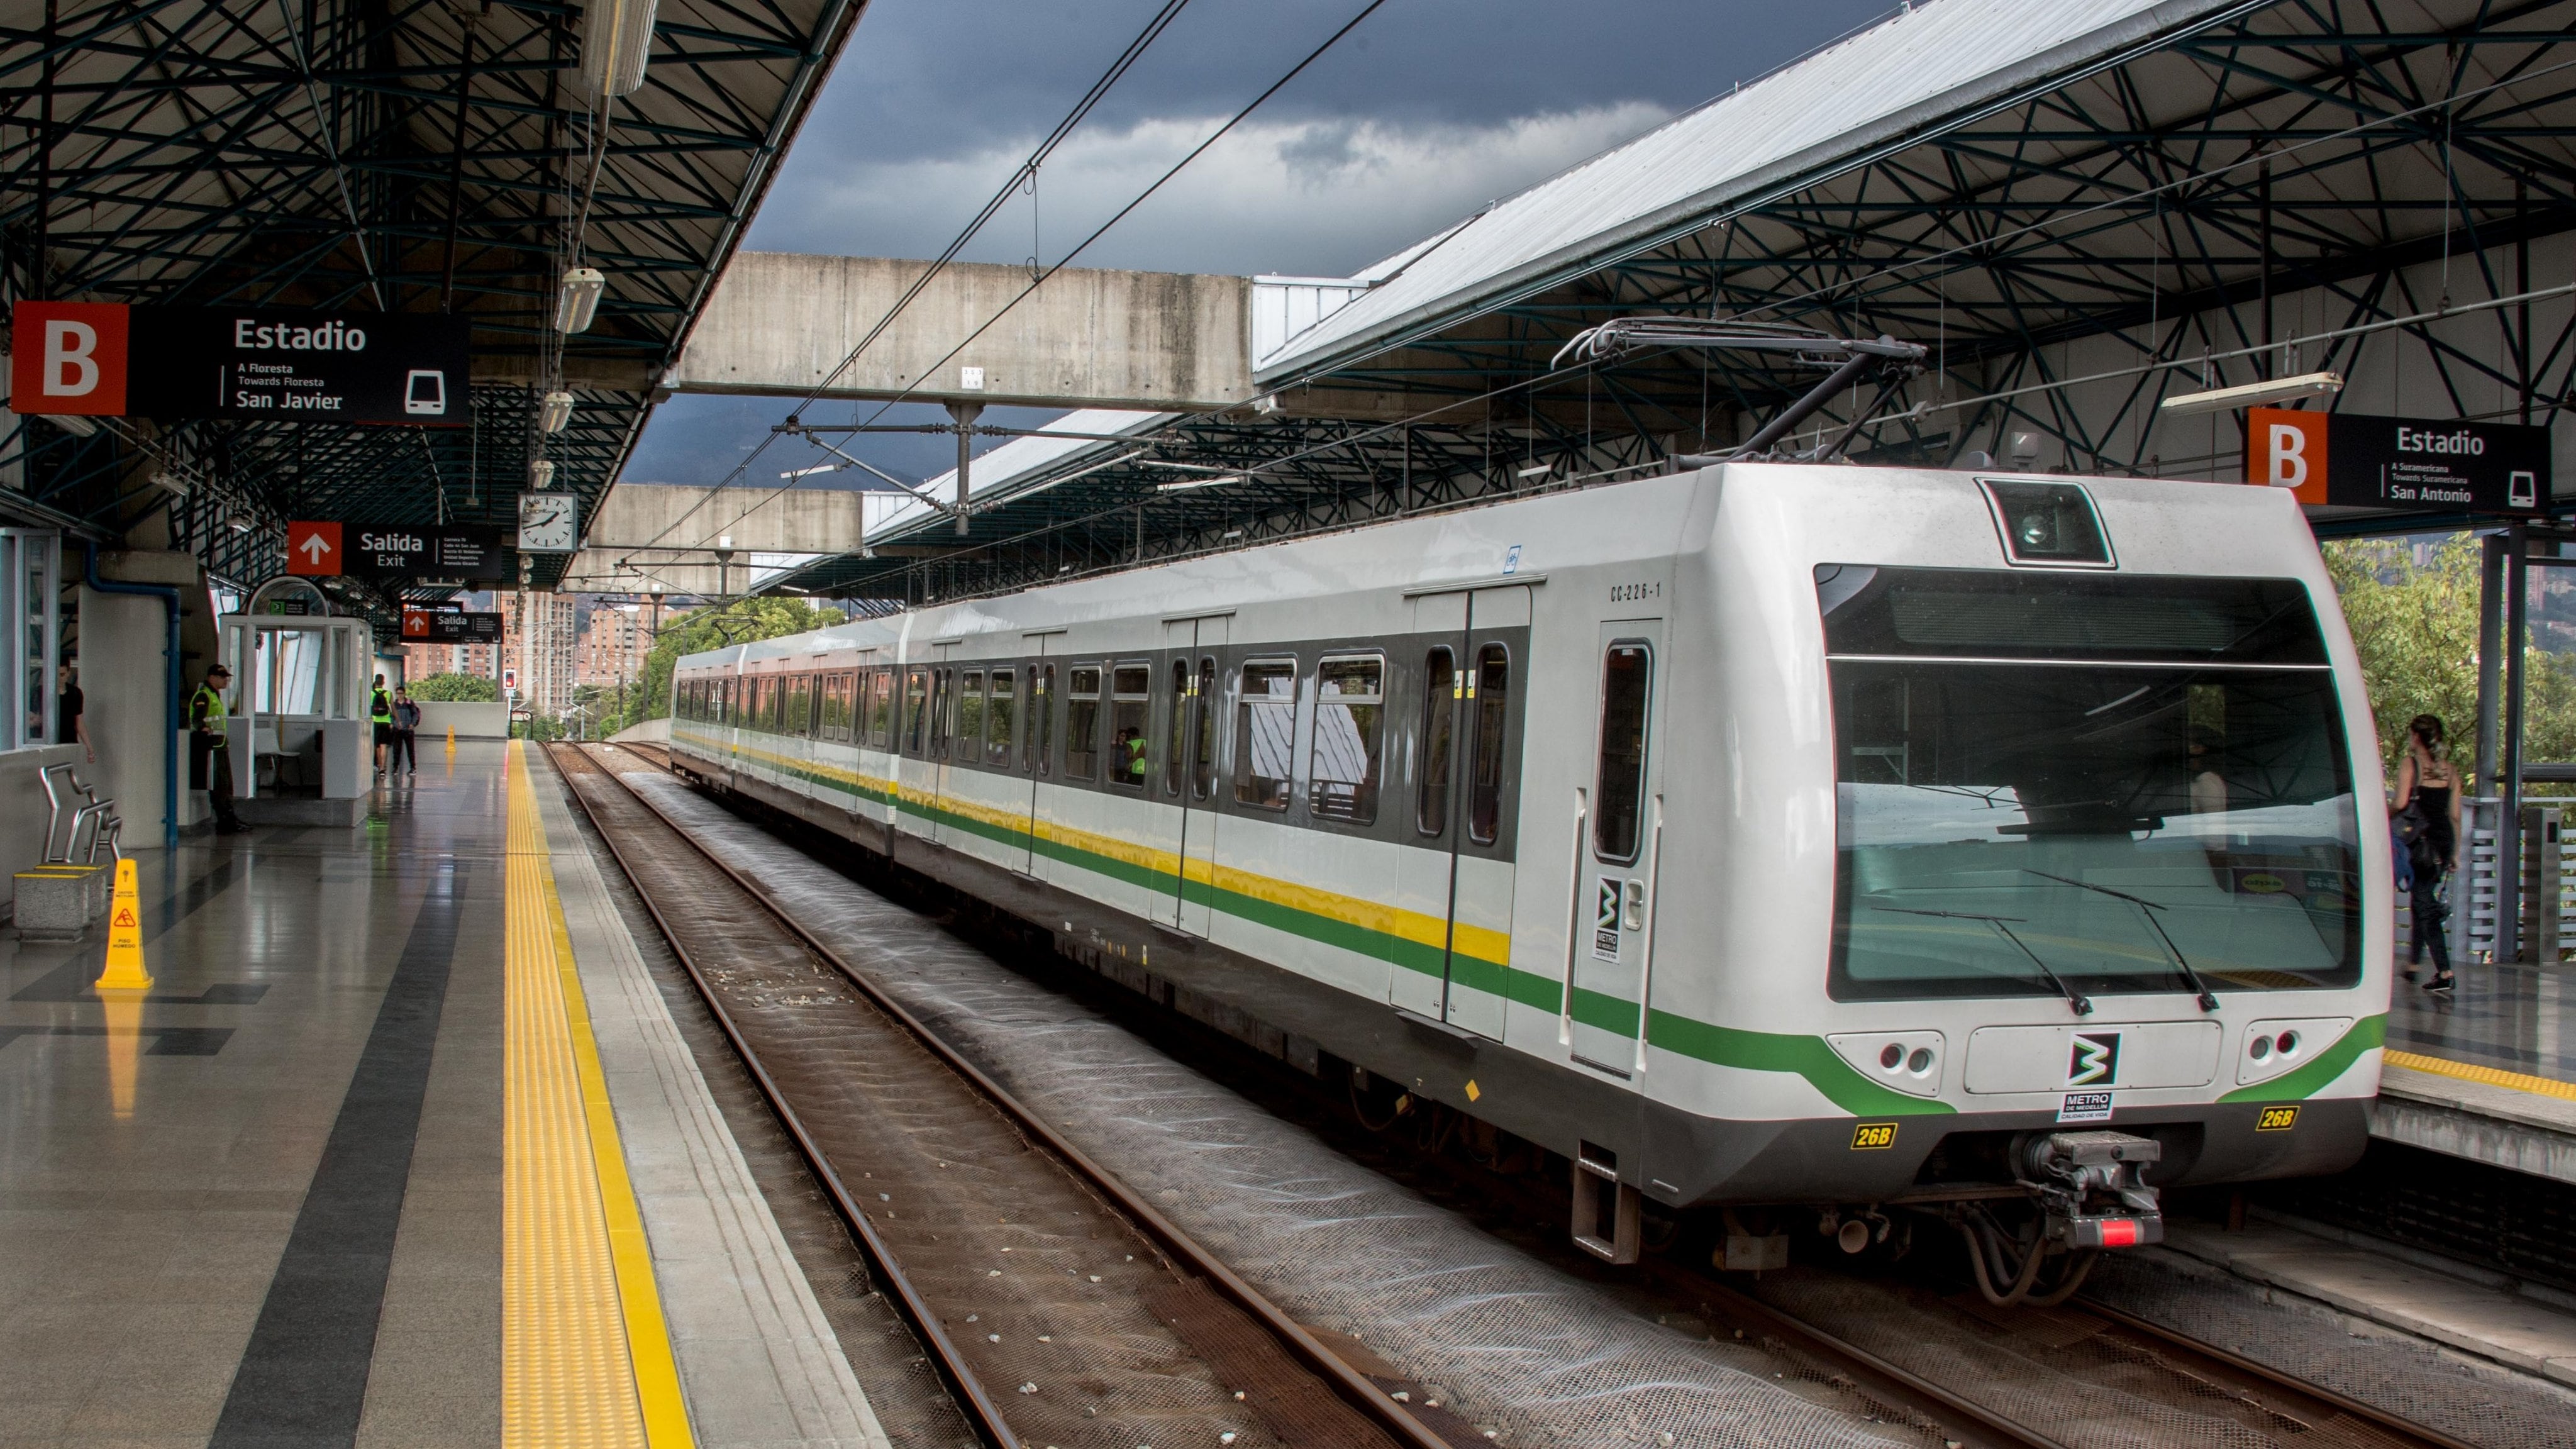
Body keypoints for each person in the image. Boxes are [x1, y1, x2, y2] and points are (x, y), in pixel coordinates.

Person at [2391, 713, 2462, 994]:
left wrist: (2383, 815)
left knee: (2424, 906)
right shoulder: (2451, 772)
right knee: (2422, 898)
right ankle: (2414, 965)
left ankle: (2445, 972)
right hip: (2442, 844)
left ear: (2416, 737)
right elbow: (2455, 816)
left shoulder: (2411, 765)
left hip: (2420, 843)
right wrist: (2455, 852)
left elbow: (2400, 802)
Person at [191, 663, 248, 835]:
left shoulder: (214, 695)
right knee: (219, 785)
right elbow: (197, 718)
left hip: (220, 745)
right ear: (212, 677)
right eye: (223, 678)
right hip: (211, 747)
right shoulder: (204, 695)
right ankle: (225, 821)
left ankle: (229, 818)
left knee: (225, 784)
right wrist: (203, 728)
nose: (226, 681)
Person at [57, 661, 92, 765]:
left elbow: (79, 722)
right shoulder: (41, 691)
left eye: (62, 675)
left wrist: (89, 748)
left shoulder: (75, 693)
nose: (59, 679)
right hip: (53, 741)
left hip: (69, 740)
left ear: (68, 673)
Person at [391, 685, 421, 776]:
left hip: (408, 730)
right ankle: (395, 768)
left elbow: (415, 714)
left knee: (410, 750)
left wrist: (413, 724)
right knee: (396, 750)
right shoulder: (394, 705)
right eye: (398, 694)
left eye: (401, 693)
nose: (399, 695)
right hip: (397, 730)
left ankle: (413, 768)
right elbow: (391, 716)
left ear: (404, 694)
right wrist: (393, 724)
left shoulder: (409, 704)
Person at [370, 674, 394, 778]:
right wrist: (397, 720)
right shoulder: (388, 694)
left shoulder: (371, 694)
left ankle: (378, 765)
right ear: (383, 683)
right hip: (386, 722)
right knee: (384, 746)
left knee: (377, 745)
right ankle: (383, 768)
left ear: (375, 682)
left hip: (375, 722)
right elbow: (393, 709)